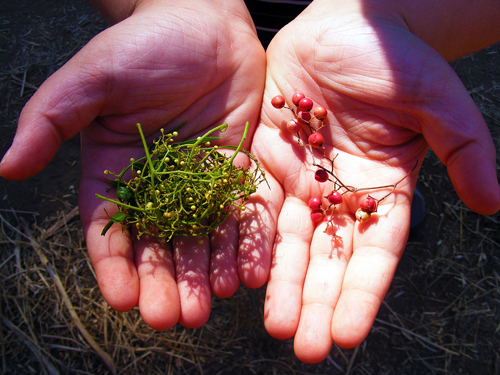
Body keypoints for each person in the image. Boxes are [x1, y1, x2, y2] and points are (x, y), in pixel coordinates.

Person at [1, 0, 499, 365]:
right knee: (331, 176)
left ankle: (382, 204)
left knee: (346, 173)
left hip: (346, 78)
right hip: (216, 59)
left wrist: (397, 19)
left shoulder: (314, 111)